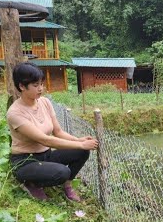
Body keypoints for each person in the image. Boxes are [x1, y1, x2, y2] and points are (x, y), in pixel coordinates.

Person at [7, 62, 98, 201]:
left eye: (41, 84)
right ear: (21, 86)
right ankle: (31, 184)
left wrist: (79, 141)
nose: (40, 89)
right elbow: (45, 139)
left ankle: (67, 184)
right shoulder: (15, 113)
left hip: (46, 155)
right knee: (63, 172)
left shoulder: (44, 102)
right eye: (35, 85)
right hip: (26, 161)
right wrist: (80, 144)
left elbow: (58, 132)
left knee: (82, 152)